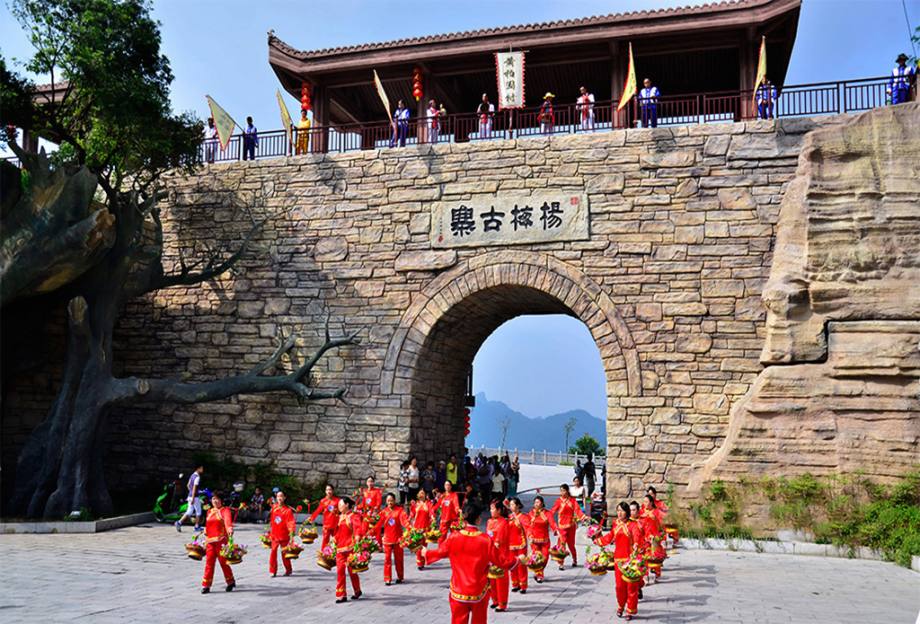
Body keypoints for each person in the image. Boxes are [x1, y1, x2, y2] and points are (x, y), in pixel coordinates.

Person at [423, 502, 522, 624]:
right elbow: (501, 561)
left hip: (458, 590)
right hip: (478, 590)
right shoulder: (485, 540)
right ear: (478, 519)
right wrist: (518, 560)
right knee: (479, 620)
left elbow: (440, 552)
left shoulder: (454, 537)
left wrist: (426, 553)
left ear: (464, 518)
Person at [594, 502, 640, 620]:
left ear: (627, 512)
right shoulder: (616, 524)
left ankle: (630, 610)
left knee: (631, 587)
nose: (619, 513)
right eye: (618, 510)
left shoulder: (633, 525)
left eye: (622, 511)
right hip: (618, 560)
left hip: (630, 561)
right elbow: (610, 537)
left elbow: (636, 536)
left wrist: (636, 544)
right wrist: (598, 540)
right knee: (619, 586)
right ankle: (621, 605)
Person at [200, 491, 235, 594]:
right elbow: (208, 524)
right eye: (213, 499)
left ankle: (230, 581)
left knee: (223, 562)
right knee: (209, 563)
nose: (215, 501)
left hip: (221, 541)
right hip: (210, 541)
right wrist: (205, 530)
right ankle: (206, 585)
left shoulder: (225, 510)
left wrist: (229, 528)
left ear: (221, 501)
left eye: (217, 499)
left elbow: (227, 521)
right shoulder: (209, 511)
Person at [333, 497, 366, 603]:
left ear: (347, 505)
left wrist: (357, 541)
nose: (339, 507)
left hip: (350, 548)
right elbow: (337, 532)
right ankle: (341, 595)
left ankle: (357, 590)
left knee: (352, 572)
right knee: (340, 572)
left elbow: (357, 529)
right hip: (340, 549)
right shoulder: (340, 517)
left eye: (340, 504)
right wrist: (334, 541)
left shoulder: (354, 516)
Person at [374, 493, 410, 585]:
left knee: (399, 559)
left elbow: (404, 521)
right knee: (387, 559)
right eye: (388, 501)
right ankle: (387, 578)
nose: (390, 502)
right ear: (386, 501)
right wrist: (369, 531)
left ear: (394, 500)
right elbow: (377, 524)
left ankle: (400, 577)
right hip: (387, 539)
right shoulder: (383, 512)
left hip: (398, 539)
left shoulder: (400, 511)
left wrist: (409, 528)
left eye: (391, 500)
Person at [550, 483, 586, 569]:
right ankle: (561, 563)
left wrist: (583, 517)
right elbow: (552, 511)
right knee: (562, 544)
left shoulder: (572, 500)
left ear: (567, 491)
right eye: (561, 491)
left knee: (571, 545)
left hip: (571, 526)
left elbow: (577, 510)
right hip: (562, 527)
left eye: (563, 490)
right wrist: (546, 516)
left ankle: (574, 559)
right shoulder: (558, 501)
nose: (562, 492)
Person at [486, 500, 511, 612]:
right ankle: (495, 600)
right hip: (490, 553)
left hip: (501, 554)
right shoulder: (489, 521)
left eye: (493, 509)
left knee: (500, 580)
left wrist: (495, 543)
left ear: (499, 510)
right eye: (490, 508)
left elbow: (501, 537)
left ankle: (502, 603)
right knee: (491, 579)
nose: (491, 511)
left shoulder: (503, 522)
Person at [527, 495, 557, 583]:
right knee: (537, 558)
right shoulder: (531, 513)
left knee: (545, 558)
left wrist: (555, 529)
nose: (536, 504)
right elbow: (528, 526)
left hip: (545, 540)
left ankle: (538, 571)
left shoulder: (547, 513)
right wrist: (529, 535)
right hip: (534, 540)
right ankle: (539, 574)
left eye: (538, 502)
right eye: (535, 502)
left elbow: (552, 522)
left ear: (542, 503)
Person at [268, 490, 296, 577]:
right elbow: (272, 520)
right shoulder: (274, 508)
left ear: (284, 498)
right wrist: (269, 531)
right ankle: (273, 571)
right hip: (275, 535)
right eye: (278, 496)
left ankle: (288, 569)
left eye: (281, 496)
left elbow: (290, 522)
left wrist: (291, 532)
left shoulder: (288, 510)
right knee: (273, 552)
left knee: (285, 554)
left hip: (284, 535)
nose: (279, 498)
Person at [505, 497, 530, 594]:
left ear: (518, 505)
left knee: (521, 565)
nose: (511, 506)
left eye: (513, 504)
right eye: (510, 505)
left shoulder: (523, 517)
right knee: (512, 565)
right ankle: (515, 584)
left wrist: (531, 537)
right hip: (510, 544)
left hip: (521, 544)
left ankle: (523, 585)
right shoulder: (509, 517)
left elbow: (528, 528)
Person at [641, 494, 667, 581]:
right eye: (644, 501)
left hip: (654, 537)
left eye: (646, 501)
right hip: (644, 537)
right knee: (645, 556)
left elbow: (663, 524)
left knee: (655, 556)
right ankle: (645, 574)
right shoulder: (641, 511)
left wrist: (655, 519)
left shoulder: (656, 512)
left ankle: (656, 573)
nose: (644, 503)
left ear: (651, 502)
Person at [410, 489, 437, 570]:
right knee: (418, 546)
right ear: (417, 495)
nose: (421, 495)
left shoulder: (428, 504)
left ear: (425, 495)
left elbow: (431, 512)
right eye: (420, 493)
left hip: (426, 528)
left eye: (423, 493)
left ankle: (422, 561)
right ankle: (419, 563)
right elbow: (412, 514)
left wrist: (433, 518)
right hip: (417, 528)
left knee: (424, 546)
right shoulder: (415, 504)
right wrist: (408, 521)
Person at [308, 484, 341, 549]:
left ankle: (337, 553)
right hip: (326, 524)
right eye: (327, 490)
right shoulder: (323, 501)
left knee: (337, 540)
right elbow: (318, 510)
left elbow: (341, 510)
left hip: (335, 524)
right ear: (325, 491)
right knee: (325, 540)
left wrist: (336, 511)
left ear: (333, 491)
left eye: (330, 489)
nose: (329, 491)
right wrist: (312, 517)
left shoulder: (338, 500)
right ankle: (324, 553)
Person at [629, 500, 649, 600]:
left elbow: (648, 535)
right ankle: (634, 591)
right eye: (630, 510)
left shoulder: (643, 521)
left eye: (634, 510)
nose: (632, 512)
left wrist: (644, 547)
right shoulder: (626, 522)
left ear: (638, 511)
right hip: (630, 550)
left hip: (641, 551)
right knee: (631, 571)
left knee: (639, 571)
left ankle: (638, 587)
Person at [175, 465, 204, 532]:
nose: (202, 470)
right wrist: (193, 497)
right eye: (201, 468)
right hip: (195, 497)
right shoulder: (197, 477)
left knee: (189, 511)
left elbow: (188, 485)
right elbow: (194, 488)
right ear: (198, 468)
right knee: (198, 511)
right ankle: (196, 527)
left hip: (190, 496)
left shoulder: (192, 475)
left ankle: (179, 522)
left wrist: (191, 493)